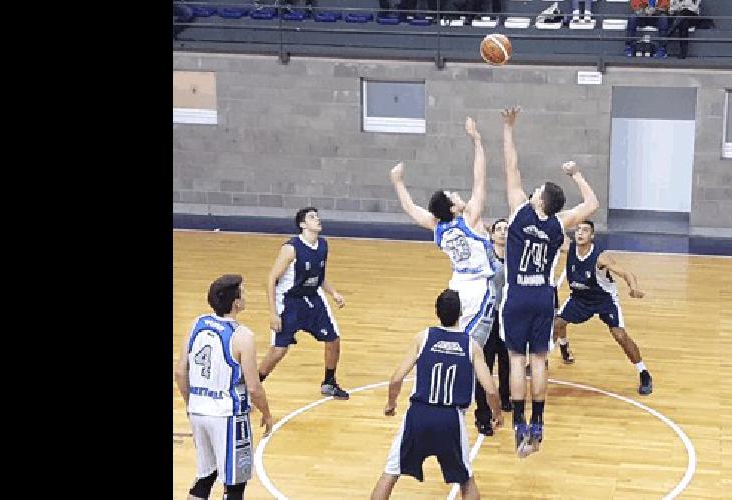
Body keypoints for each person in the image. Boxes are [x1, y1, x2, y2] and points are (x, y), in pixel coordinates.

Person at [499, 105, 599, 457]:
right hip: (543, 297)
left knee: (515, 361)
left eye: (537, 188)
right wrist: (575, 173)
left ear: (539, 198)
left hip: (516, 296)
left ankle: (518, 424)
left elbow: (511, 167)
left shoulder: (518, 210)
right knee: (539, 360)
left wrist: (509, 128)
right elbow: (592, 203)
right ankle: (538, 423)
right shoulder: (560, 223)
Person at [369, 289, 504, 499]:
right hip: (450, 420)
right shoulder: (471, 345)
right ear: (461, 313)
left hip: (417, 416)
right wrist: (497, 413)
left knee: (390, 474)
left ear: (437, 313)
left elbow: (396, 378)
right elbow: (490, 389)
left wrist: (391, 404)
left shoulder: (422, 338)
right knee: (466, 481)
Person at [390, 117, 497, 344]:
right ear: (452, 207)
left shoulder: (437, 226)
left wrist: (397, 182)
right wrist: (477, 141)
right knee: (471, 345)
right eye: (452, 196)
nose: (457, 194)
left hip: (456, 285)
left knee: (453, 337)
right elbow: (480, 179)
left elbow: (409, 207)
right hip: (479, 288)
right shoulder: (471, 218)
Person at [176, 274, 275, 500]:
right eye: (244, 291)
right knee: (235, 486)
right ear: (236, 303)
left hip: (199, 410)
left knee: (205, 476)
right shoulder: (242, 336)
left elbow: (180, 372)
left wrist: (191, 404)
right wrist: (267, 414)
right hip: (227, 416)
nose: (247, 294)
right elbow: (254, 388)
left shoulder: (197, 324)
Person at [257, 208, 351, 400]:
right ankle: (250, 389)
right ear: (302, 225)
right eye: (312, 217)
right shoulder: (291, 249)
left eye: (317, 216)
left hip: (313, 298)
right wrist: (273, 314)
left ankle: (329, 382)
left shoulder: (323, 245)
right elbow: (270, 279)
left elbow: (319, 276)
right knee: (278, 351)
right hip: (289, 302)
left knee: (333, 339)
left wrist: (333, 293)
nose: (317, 219)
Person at [552, 220, 653, 395]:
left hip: (604, 300)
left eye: (585, 230)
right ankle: (563, 346)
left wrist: (633, 287)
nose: (580, 233)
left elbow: (625, 272)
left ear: (592, 236)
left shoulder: (601, 257)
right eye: (578, 230)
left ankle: (643, 372)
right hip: (580, 298)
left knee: (620, 336)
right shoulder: (569, 248)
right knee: (557, 323)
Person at [473, 218, 513, 436]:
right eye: (499, 229)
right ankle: (482, 414)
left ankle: (506, 399)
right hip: (488, 317)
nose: (503, 232)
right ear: (493, 234)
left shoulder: (516, 257)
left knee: (506, 360)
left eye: (507, 229)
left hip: (507, 316)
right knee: (485, 364)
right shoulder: (486, 256)